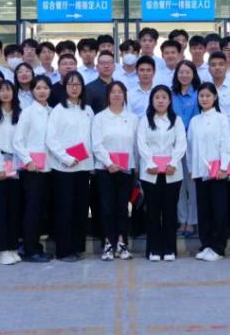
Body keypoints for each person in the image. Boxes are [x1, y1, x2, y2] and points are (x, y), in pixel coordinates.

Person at [45, 70, 95, 262]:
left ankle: (77, 247)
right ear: (65, 87)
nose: (74, 88)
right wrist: (66, 158)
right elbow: (51, 139)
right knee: (64, 209)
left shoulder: (88, 110)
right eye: (70, 84)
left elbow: (92, 137)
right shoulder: (58, 110)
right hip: (63, 168)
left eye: (77, 84)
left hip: (83, 167)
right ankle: (64, 250)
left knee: (80, 208)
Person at [137, 85, 187, 261]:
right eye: (157, 97)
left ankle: (169, 249)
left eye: (164, 97)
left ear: (169, 100)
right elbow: (142, 143)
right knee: (152, 211)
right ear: (152, 100)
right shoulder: (145, 120)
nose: (160, 101)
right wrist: (150, 163)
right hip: (150, 173)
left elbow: (181, 143)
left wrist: (173, 163)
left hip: (172, 172)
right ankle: (153, 249)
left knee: (169, 211)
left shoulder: (176, 120)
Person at [91, 81, 139, 261]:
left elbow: (136, 145)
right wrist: (109, 163)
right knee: (106, 207)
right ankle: (108, 244)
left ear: (125, 95)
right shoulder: (100, 118)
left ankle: (121, 242)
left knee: (122, 207)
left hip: (126, 169)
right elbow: (96, 144)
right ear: (108, 96)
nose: (117, 95)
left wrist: (136, 167)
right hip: (105, 170)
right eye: (113, 92)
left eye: (120, 92)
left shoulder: (133, 118)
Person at [188, 82, 230, 262]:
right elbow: (191, 147)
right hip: (200, 172)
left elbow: (226, 144)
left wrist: (223, 167)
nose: (204, 99)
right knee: (204, 210)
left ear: (215, 97)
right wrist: (191, 169)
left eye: (208, 95)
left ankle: (218, 247)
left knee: (219, 210)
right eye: (201, 96)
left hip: (218, 172)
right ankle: (206, 244)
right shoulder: (194, 121)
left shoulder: (221, 119)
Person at [12, 76, 54, 263]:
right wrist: (28, 161)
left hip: (50, 168)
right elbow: (18, 141)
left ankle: (37, 247)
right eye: (38, 88)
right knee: (32, 210)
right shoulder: (28, 112)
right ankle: (30, 249)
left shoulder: (53, 112)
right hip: (33, 169)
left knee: (42, 210)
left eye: (45, 88)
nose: (42, 91)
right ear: (32, 91)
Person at [0, 80, 22, 266]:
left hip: (17, 165)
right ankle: (1, 251)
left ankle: (12, 247)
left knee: (14, 209)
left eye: (8, 89)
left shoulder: (20, 115)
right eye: (1, 90)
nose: (5, 93)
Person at [172, 60, 200, 237]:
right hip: (174, 144)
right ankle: (182, 219)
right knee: (179, 184)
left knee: (193, 184)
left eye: (187, 72)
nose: (184, 75)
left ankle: (192, 220)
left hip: (192, 143)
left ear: (193, 74)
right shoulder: (171, 94)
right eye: (181, 72)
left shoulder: (199, 93)